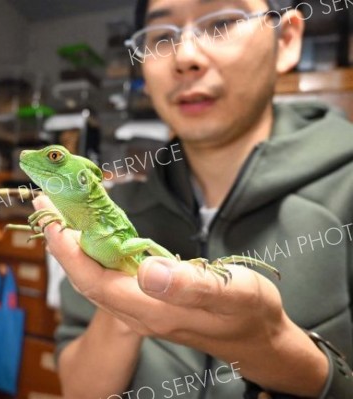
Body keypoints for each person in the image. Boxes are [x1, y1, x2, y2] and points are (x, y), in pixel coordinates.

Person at [33, 0, 353, 398]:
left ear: (286, 39)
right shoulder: (112, 205)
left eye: (221, 23)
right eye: (161, 37)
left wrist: (279, 352)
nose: (184, 57)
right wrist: (122, 305)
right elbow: (78, 390)